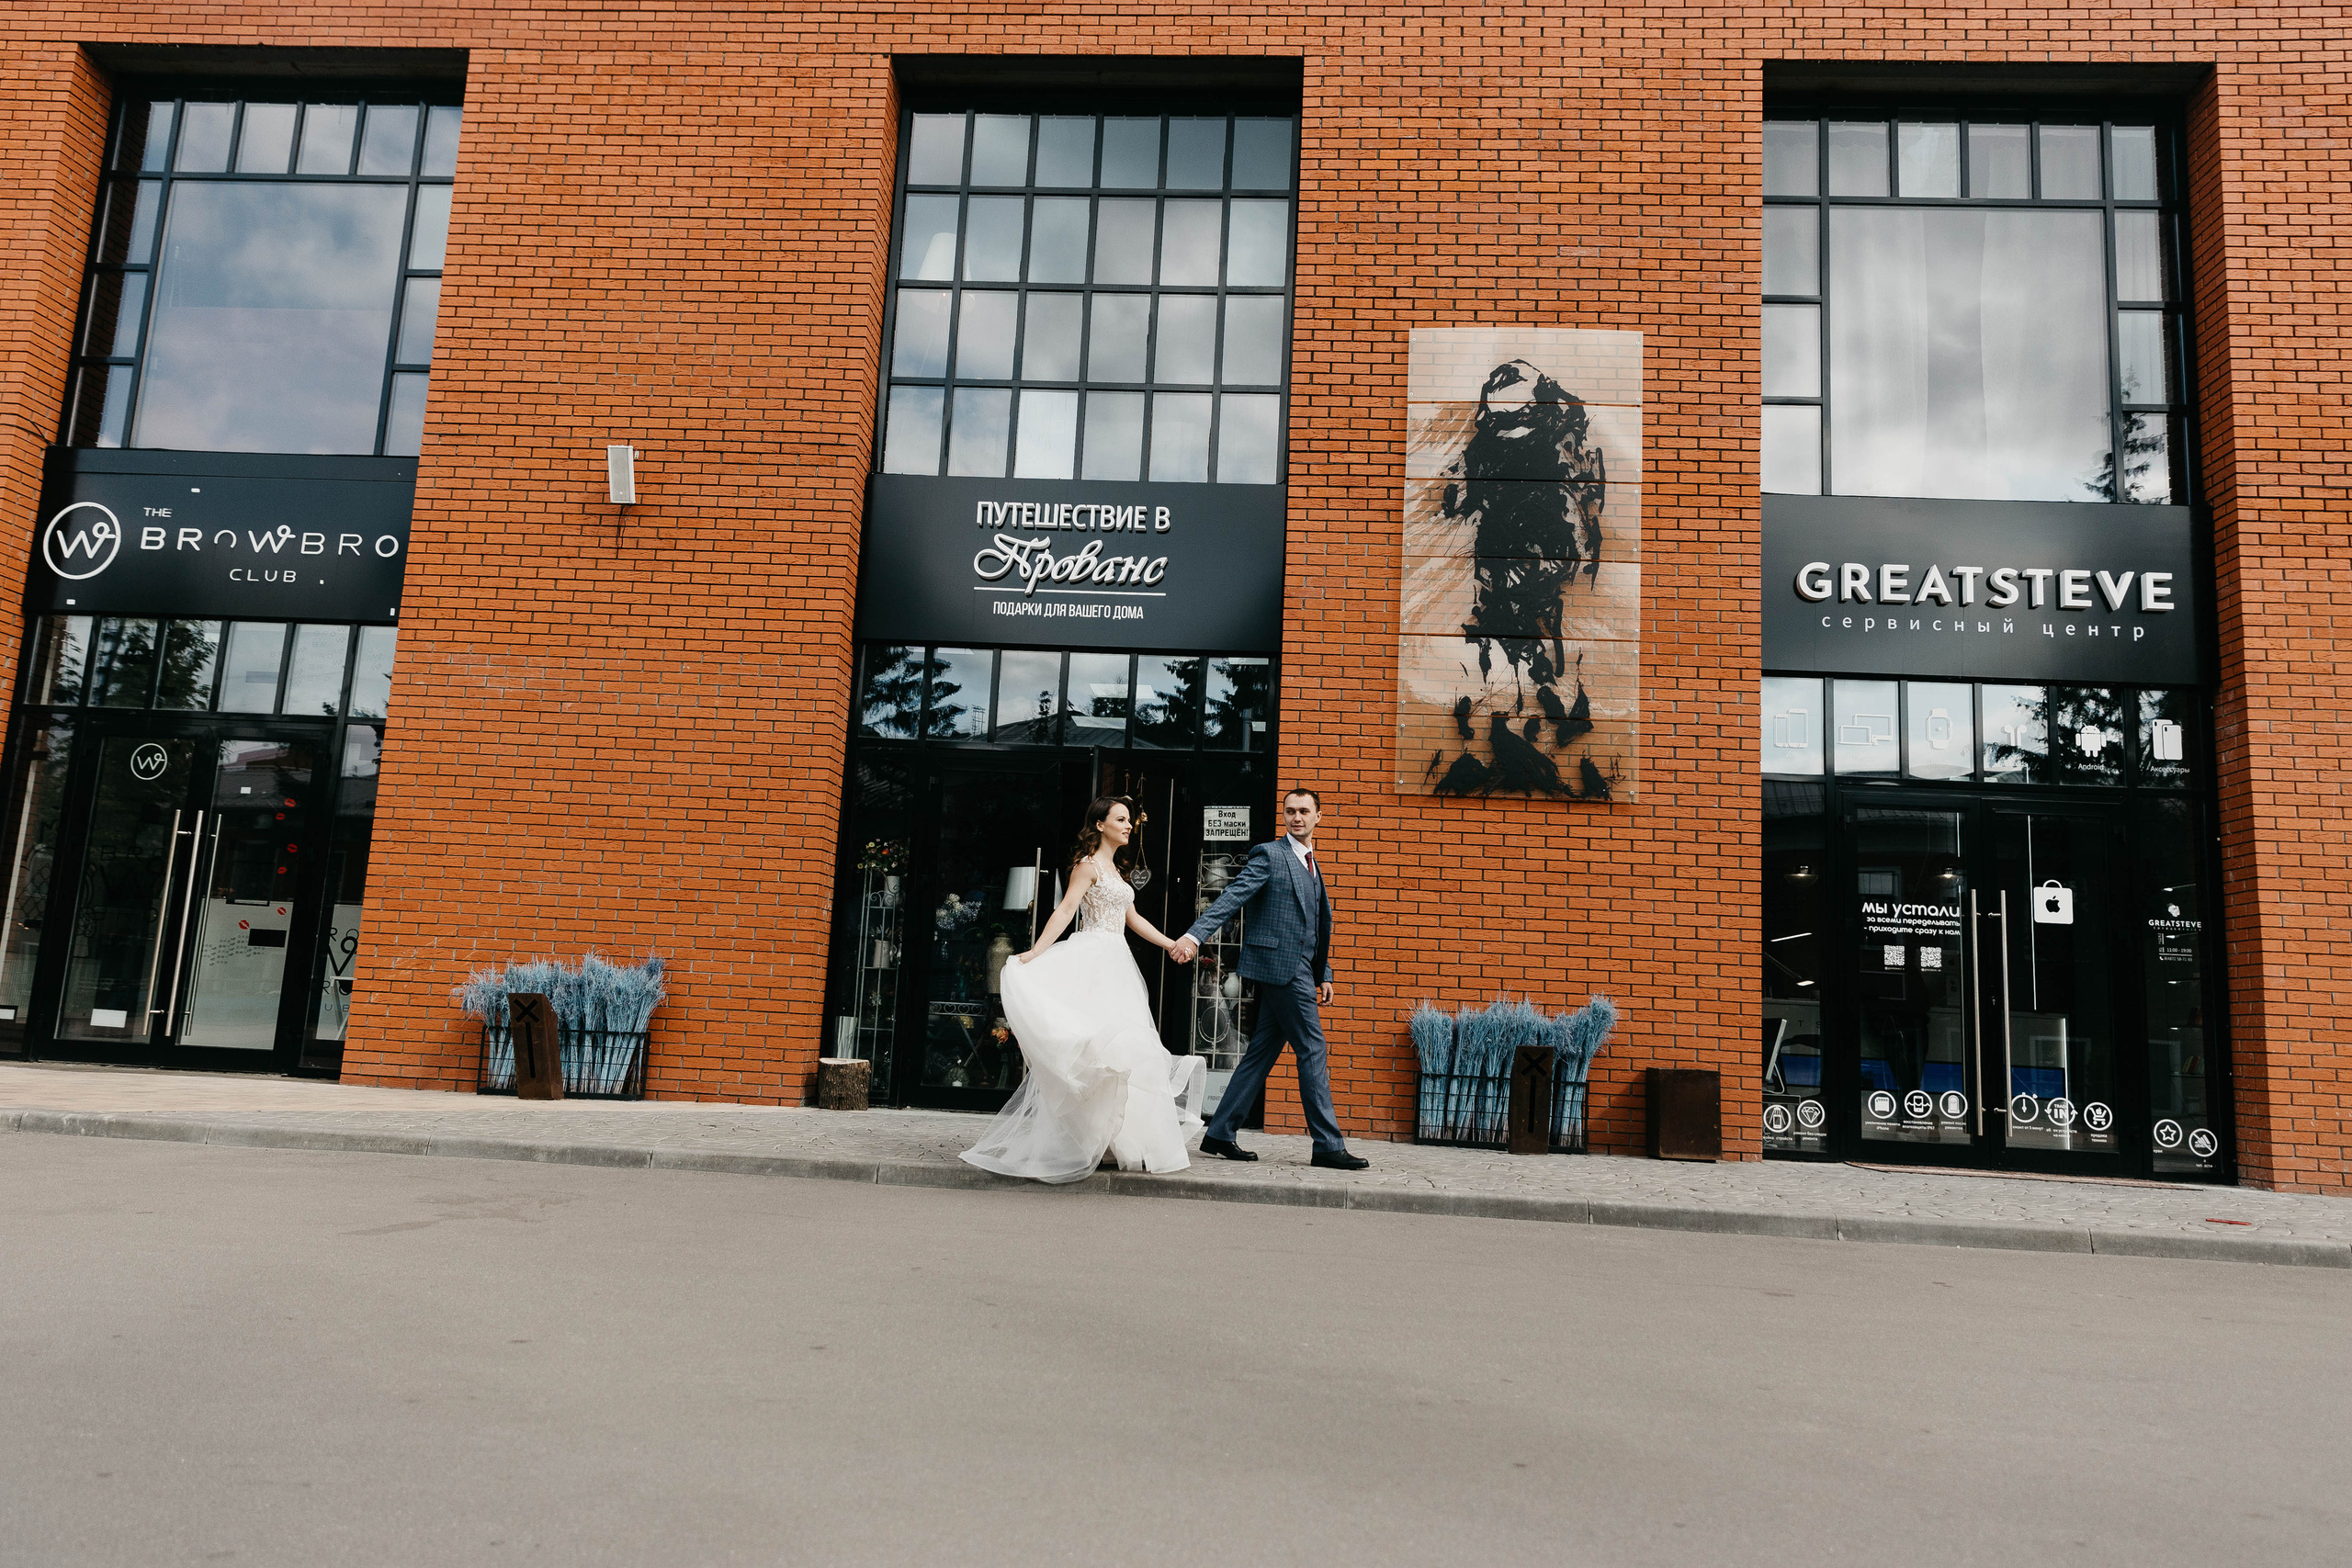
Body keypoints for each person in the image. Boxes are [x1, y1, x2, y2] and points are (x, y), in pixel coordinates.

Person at [959, 796, 1207, 1183]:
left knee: (1125, 1049)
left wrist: (1171, 942)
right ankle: (1087, 1138)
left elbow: (1133, 918)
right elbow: (1065, 910)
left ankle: (1118, 1141)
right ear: (1099, 825)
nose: (1129, 826)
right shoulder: (1086, 867)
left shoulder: (1117, 870)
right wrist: (1036, 952)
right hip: (1090, 959)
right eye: (1121, 820)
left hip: (1117, 963)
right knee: (1094, 1049)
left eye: (1129, 820)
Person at [1169, 788, 1370, 1170]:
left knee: (1260, 1053)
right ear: (1285, 816)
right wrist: (1195, 935)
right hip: (1279, 968)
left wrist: (1322, 972)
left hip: (1299, 967)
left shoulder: (1312, 862)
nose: (1297, 817)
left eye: (1304, 811)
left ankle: (1219, 1133)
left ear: (1318, 817)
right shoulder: (1269, 855)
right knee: (1313, 1048)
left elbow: (1313, 926)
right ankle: (1327, 1144)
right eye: (1290, 811)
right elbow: (1232, 897)